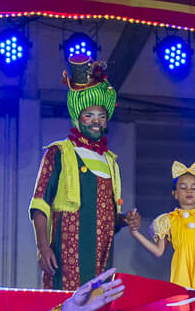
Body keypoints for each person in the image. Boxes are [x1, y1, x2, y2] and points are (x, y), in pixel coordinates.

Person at [30, 49, 125, 290]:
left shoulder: (111, 161)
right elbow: (40, 204)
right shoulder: (59, 152)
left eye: (101, 115)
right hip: (66, 258)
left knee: (98, 308)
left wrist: (125, 220)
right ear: (77, 117)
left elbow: (107, 217)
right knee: (65, 308)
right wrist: (43, 247)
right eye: (89, 115)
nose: (96, 121)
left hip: (102, 259)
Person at [128, 160, 195, 291]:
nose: (189, 191)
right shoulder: (168, 220)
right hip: (181, 276)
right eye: (183, 187)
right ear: (175, 194)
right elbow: (158, 251)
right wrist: (135, 233)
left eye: (194, 188)